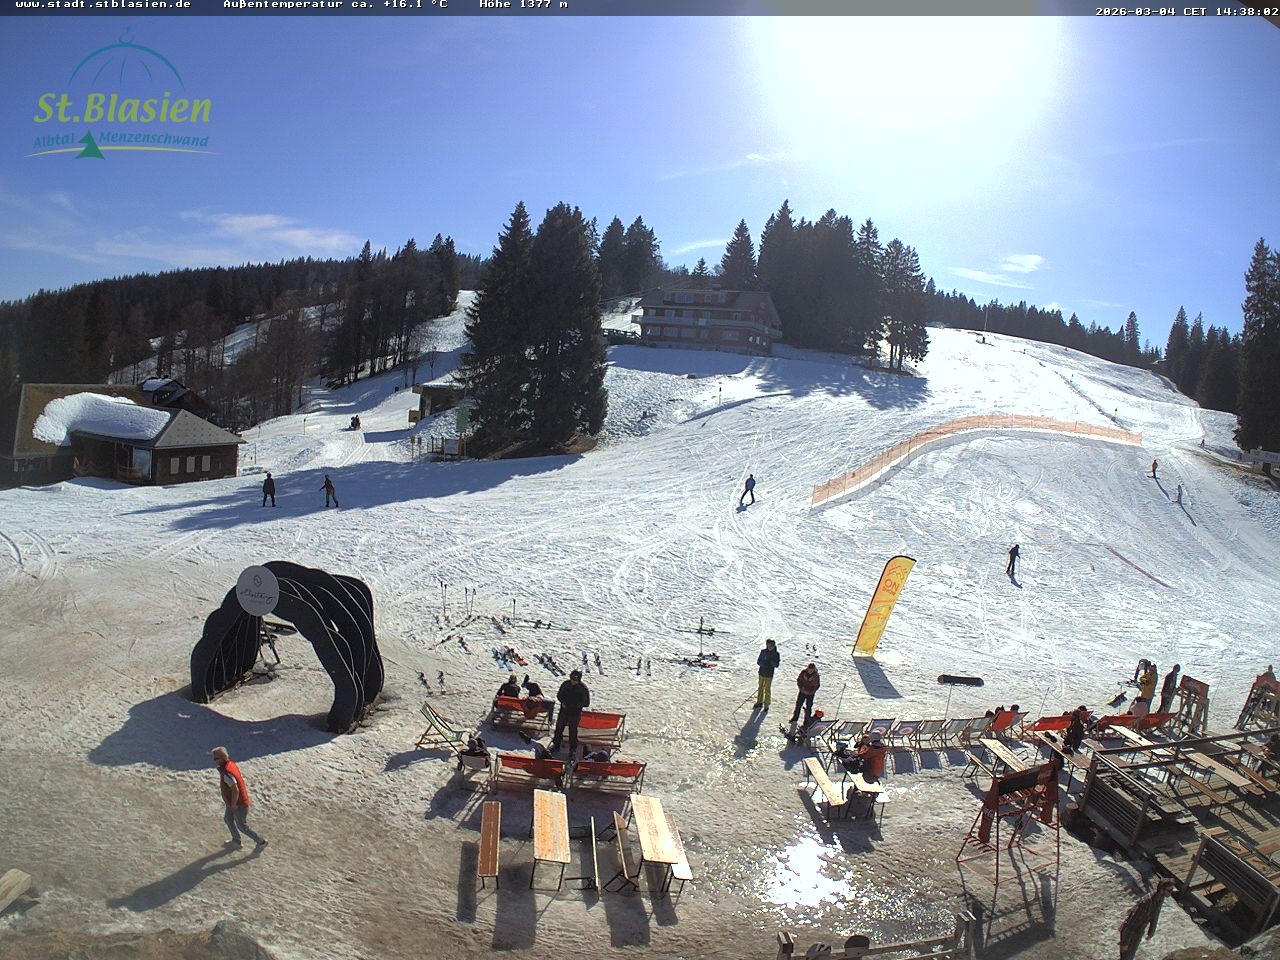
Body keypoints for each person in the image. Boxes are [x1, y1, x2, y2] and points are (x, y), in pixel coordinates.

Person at [211, 746, 267, 849]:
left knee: (242, 826)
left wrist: (233, 805)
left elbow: (235, 790)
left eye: (216, 758)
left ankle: (261, 841)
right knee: (228, 819)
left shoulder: (226, 773)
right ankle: (236, 840)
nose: (214, 761)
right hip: (232, 802)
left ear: (222, 758)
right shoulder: (230, 765)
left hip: (238, 804)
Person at [549, 669, 590, 756]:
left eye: (575, 679)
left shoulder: (582, 688)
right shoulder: (566, 684)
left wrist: (574, 705)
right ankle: (556, 745)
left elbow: (586, 703)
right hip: (564, 710)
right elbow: (559, 695)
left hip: (575, 713)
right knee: (559, 728)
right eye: (572, 678)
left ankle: (572, 749)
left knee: (573, 731)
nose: (573, 681)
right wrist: (563, 702)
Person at [754, 638, 780, 709]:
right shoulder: (763, 652)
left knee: (767, 689)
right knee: (760, 688)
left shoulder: (776, 654)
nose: (769, 647)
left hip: (769, 674)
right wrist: (763, 664)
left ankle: (766, 704)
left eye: (771, 646)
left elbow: (777, 664)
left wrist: (771, 663)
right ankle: (759, 702)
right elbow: (758, 661)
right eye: (768, 645)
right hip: (762, 672)